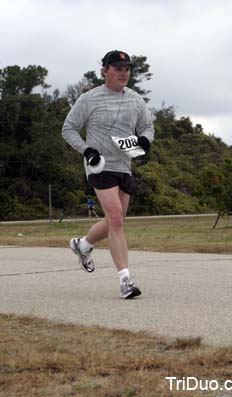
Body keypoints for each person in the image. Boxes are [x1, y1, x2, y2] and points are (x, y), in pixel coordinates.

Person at [62, 50, 154, 299]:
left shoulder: (135, 100)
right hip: (99, 165)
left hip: (124, 164)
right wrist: (87, 150)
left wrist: (145, 140)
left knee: (117, 221)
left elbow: (147, 125)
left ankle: (82, 245)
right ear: (105, 71)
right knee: (115, 218)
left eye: (127, 69)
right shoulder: (89, 99)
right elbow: (68, 129)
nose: (124, 73)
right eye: (118, 68)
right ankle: (126, 281)